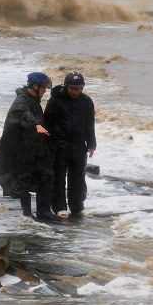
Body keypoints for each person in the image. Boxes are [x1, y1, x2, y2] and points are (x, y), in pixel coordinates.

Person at [0, 71, 60, 222]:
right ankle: (27, 213)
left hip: (37, 148)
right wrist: (36, 124)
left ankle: (44, 211)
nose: (45, 91)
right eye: (44, 88)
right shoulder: (21, 99)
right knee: (24, 180)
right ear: (35, 86)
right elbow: (24, 114)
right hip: (24, 150)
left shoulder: (35, 99)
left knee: (46, 177)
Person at [44, 71, 96, 218]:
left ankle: (77, 207)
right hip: (59, 145)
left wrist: (91, 143)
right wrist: (47, 142)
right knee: (59, 177)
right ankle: (59, 207)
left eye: (78, 88)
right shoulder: (56, 100)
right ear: (66, 86)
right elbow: (47, 121)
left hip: (79, 145)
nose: (74, 91)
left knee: (78, 177)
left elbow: (89, 124)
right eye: (72, 88)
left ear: (82, 88)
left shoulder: (87, 102)